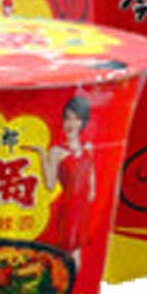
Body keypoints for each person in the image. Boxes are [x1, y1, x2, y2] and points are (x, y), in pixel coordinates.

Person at [26, 95, 95, 269]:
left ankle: (76, 283)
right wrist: (42, 154)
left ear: (83, 122)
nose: (71, 124)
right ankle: (67, 280)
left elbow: (92, 185)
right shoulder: (56, 152)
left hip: (83, 209)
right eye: (67, 118)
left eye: (76, 119)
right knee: (67, 251)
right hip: (69, 207)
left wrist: (87, 201)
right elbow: (50, 184)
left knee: (78, 250)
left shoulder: (88, 148)